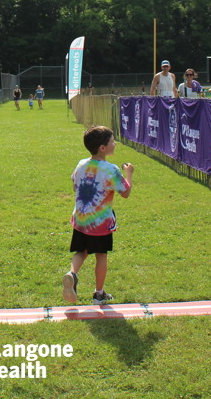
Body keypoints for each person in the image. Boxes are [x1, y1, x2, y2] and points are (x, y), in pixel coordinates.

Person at [62, 125, 133, 306]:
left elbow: (74, 185)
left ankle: (72, 274)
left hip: (80, 220)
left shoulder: (81, 164)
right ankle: (99, 294)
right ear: (102, 148)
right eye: (112, 141)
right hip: (100, 224)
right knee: (101, 255)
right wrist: (129, 174)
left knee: (81, 251)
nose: (115, 144)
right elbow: (125, 192)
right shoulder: (111, 169)